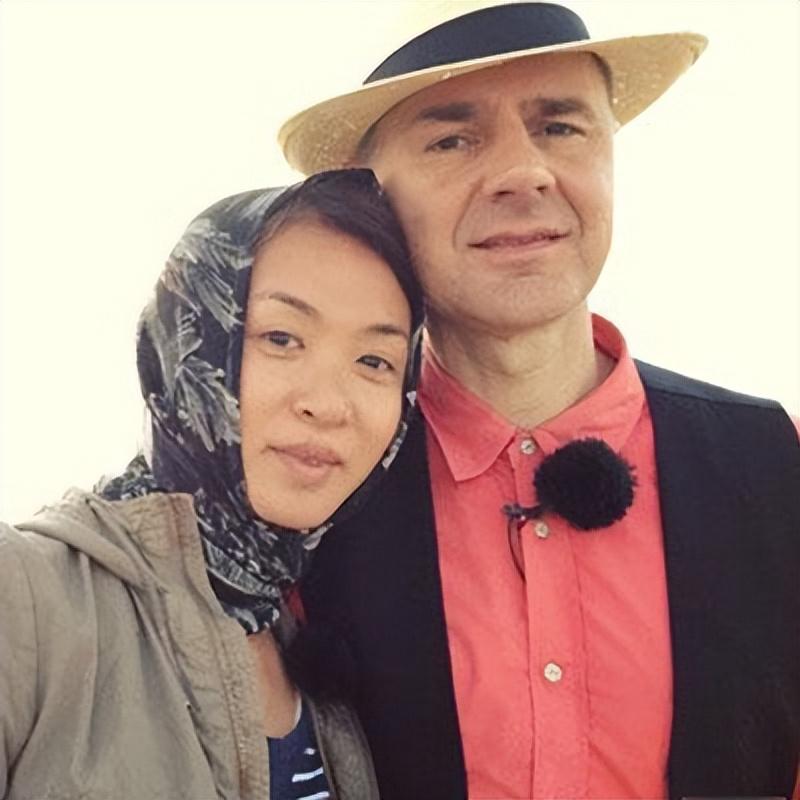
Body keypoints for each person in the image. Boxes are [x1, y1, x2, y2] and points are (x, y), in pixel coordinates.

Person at [278, 3, 800, 799]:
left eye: (560, 127)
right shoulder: (308, 486)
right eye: (453, 140)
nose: (523, 172)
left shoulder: (776, 464)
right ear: (370, 195)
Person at [0, 168, 424, 800]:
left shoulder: (310, 632)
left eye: (374, 361)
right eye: (281, 338)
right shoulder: (28, 597)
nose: (329, 404)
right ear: (185, 344)